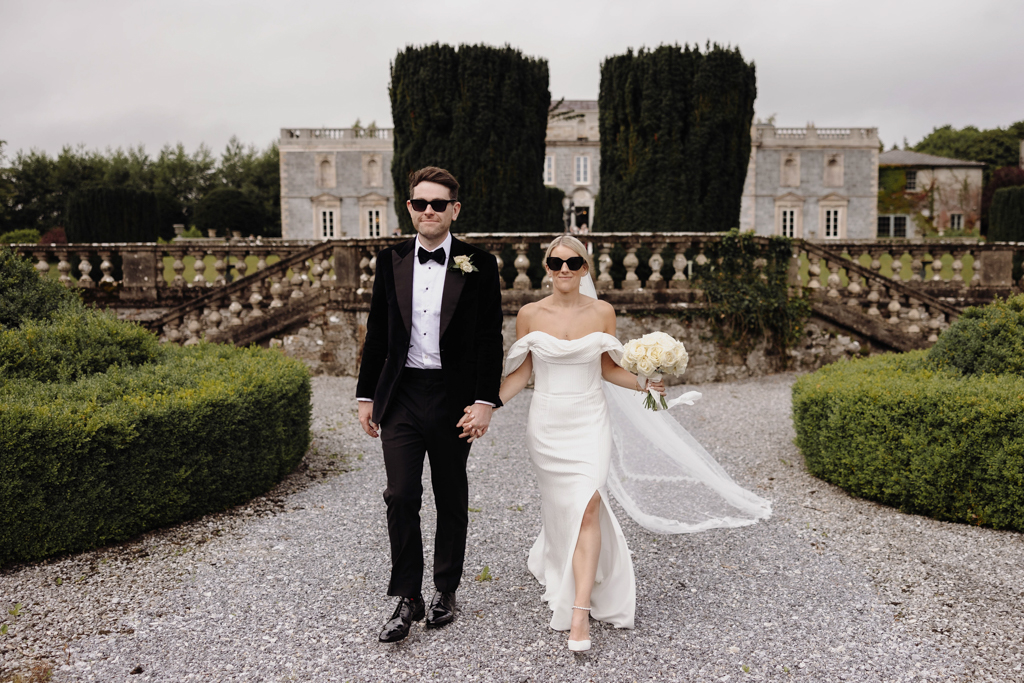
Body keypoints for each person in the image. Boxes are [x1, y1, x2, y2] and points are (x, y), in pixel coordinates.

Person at [461, 235, 665, 652]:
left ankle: (579, 611)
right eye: (556, 262)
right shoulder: (530, 314)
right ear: (547, 268)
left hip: (590, 419)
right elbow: (521, 375)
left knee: (589, 503)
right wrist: (486, 406)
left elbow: (609, 369)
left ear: (586, 268)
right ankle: (558, 558)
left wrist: (648, 382)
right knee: (563, 510)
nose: (565, 269)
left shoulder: (603, 312)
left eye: (574, 262)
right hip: (547, 423)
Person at [356, 166, 504, 643]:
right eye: (420, 203)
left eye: (438, 204)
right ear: (410, 208)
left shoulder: (479, 263)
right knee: (400, 494)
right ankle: (406, 596)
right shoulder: (390, 260)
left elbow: (488, 339)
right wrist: (366, 396)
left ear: (454, 210)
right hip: (400, 395)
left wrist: (484, 401)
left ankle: (445, 588)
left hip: (451, 396)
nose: (428, 211)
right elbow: (377, 332)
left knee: (450, 494)